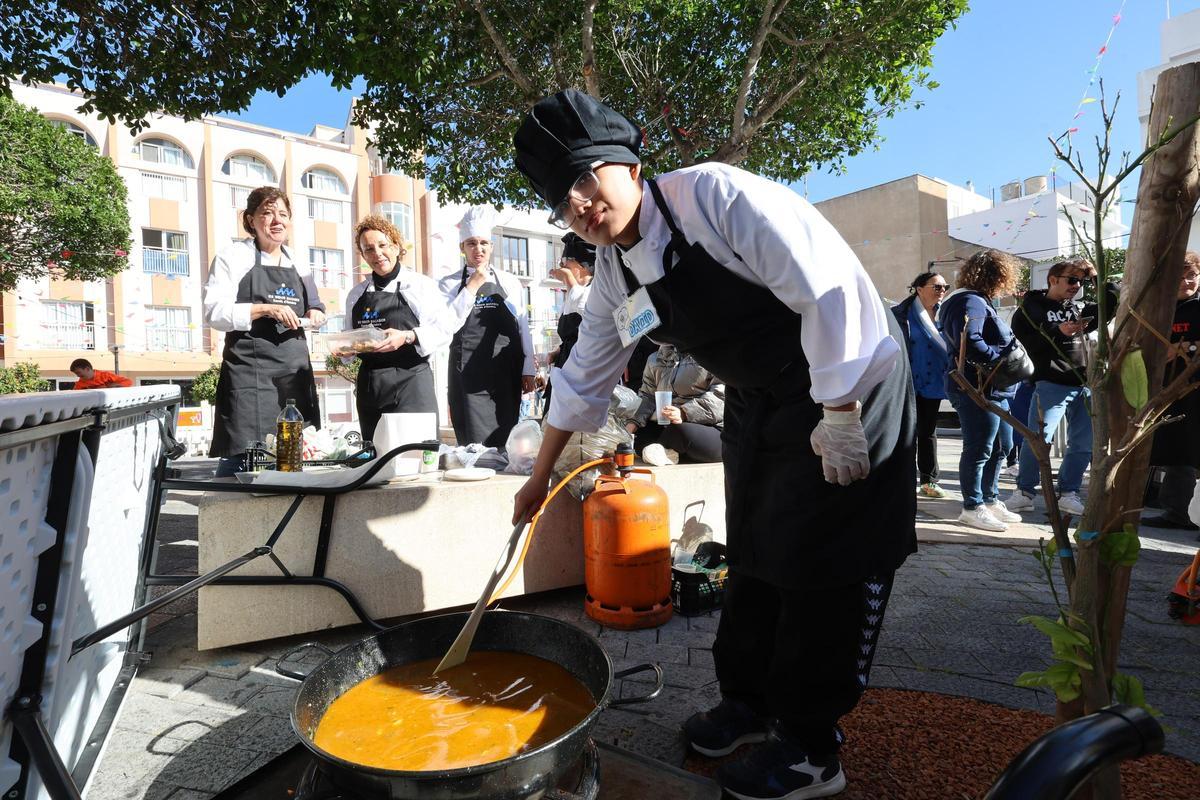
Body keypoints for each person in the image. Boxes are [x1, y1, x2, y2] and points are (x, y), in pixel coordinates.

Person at [510, 89, 916, 800]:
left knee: (824, 556)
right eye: (560, 196)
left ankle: (812, 748)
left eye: (585, 176)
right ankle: (749, 703)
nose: (578, 201)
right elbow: (582, 379)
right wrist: (538, 479)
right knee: (756, 544)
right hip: (761, 399)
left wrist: (843, 413)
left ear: (629, 165)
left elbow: (830, 292)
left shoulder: (717, 198)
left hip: (850, 375)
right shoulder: (613, 273)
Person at [203, 186, 325, 477]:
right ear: (250, 220)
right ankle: (228, 519)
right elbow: (214, 313)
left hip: (293, 375)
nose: (276, 221)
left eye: (283, 214)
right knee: (241, 459)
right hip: (249, 375)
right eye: (267, 214)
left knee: (292, 462)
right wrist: (264, 309)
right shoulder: (232, 257)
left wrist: (316, 315)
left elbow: (316, 307)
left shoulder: (300, 263)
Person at [1007, 259, 1118, 516]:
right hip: (1051, 381)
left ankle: (1068, 492)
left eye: (1080, 280)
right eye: (1071, 279)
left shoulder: (1078, 307)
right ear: (1053, 279)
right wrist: (1058, 331)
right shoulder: (1030, 309)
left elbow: (1113, 300)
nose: (1076, 285)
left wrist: (1096, 275)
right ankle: (1024, 492)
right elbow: (1024, 343)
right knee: (1038, 439)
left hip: (1085, 381)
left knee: (1083, 443)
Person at [344, 215, 455, 440]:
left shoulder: (420, 285)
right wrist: (346, 349)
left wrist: (407, 336)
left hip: (411, 381)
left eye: (382, 245)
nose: (377, 254)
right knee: (377, 459)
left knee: (417, 455)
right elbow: (350, 339)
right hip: (370, 386)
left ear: (396, 246)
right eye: (369, 249)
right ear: (363, 254)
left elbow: (444, 329)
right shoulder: (356, 294)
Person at [938, 249, 1023, 532]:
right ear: (996, 277)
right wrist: (997, 359)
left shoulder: (975, 300)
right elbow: (970, 339)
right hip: (976, 388)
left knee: (1001, 446)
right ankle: (972, 506)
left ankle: (989, 498)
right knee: (980, 448)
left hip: (992, 388)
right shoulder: (970, 301)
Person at [439, 206, 536, 447]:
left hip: (505, 376)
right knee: (474, 446)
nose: (478, 249)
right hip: (468, 377)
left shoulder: (510, 282)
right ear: (462, 247)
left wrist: (528, 369)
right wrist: (471, 287)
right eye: (471, 243)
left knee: (507, 440)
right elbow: (446, 325)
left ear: (492, 246)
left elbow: (523, 326)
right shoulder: (448, 285)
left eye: (483, 243)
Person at [1144, 251, 1200, 531]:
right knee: (1172, 450)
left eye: (1192, 275)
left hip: (1194, 390)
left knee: (1190, 451)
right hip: (1165, 390)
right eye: (1179, 276)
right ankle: (1174, 511)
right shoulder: (1159, 309)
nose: (1187, 281)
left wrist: (1183, 348)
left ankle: (1185, 513)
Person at [891, 271, 951, 498]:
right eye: (937, 286)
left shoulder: (946, 314)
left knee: (927, 432)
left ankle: (929, 480)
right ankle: (901, 477)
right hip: (906, 380)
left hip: (933, 380)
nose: (942, 291)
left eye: (945, 286)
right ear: (919, 288)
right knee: (904, 432)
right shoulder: (900, 314)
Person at [626, 344, 724, 465]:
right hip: (669, 425)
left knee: (679, 432)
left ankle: (661, 451)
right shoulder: (654, 358)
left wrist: (684, 412)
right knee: (639, 434)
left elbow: (721, 397)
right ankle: (664, 451)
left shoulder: (716, 354)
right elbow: (648, 395)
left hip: (714, 429)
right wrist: (631, 425)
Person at [542, 232, 596, 409]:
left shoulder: (595, 289)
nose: (561, 266)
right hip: (566, 363)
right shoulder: (575, 292)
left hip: (586, 367)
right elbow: (573, 335)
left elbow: (591, 320)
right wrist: (558, 351)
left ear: (579, 266)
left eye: (565, 262)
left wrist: (569, 281)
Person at [69, 359, 133, 389]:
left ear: (87, 369)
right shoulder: (79, 385)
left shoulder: (105, 376)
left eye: (78, 372)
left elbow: (128, 382)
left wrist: (112, 386)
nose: (77, 375)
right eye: (76, 373)